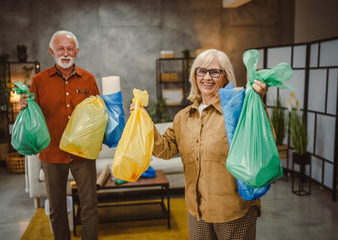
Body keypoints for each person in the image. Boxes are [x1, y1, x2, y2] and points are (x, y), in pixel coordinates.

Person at [131, 49, 268, 239]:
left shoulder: (239, 109)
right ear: (194, 76)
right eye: (201, 71)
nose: (207, 77)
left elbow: (262, 142)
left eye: (215, 72)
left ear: (226, 77)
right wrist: (144, 122)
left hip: (233, 211)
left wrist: (257, 101)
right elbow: (165, 150)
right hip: (197, 212)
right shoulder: (183, 117)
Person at [20, 30, 99, 240]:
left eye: (70, 48)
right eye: (61, 48)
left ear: (77, 51)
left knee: (90, 206)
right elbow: (32, 116)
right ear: (52, 51)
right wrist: (23, 107)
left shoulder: (88, 79)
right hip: (52, 153)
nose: (65, 53)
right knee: (56, 208)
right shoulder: (38, 80)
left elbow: (98, 114)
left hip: (83, 155)